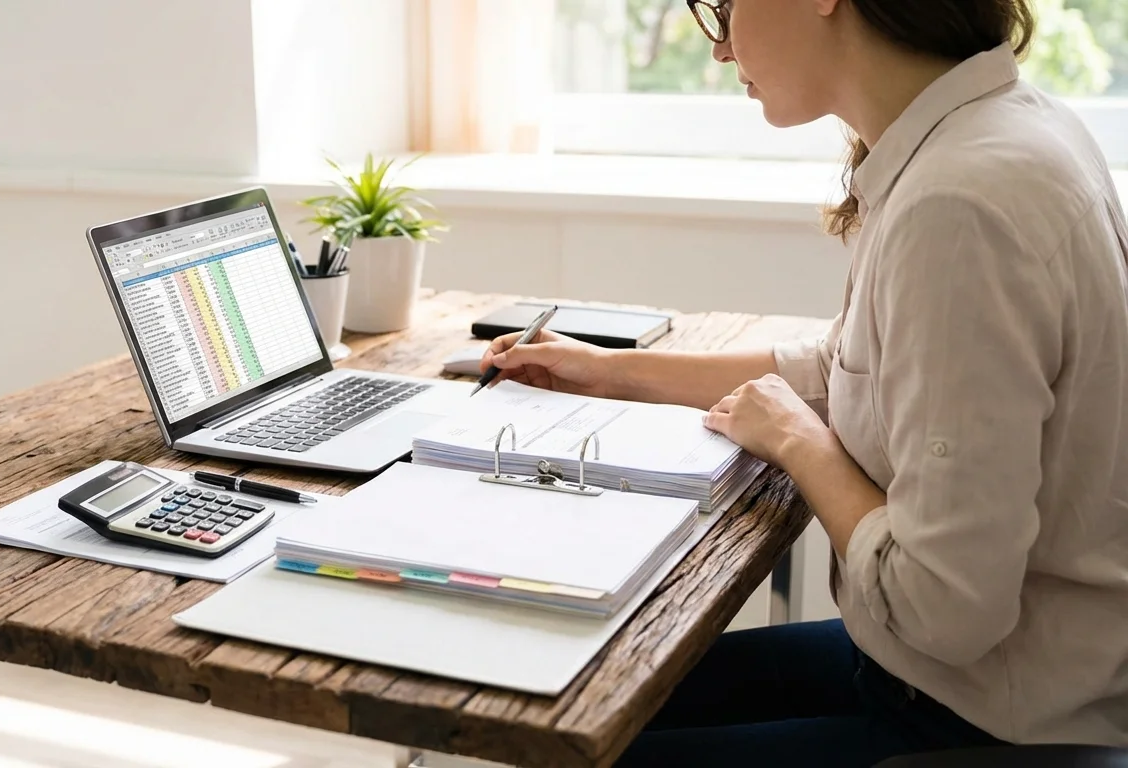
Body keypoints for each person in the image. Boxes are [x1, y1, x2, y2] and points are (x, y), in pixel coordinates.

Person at [481, 0, 1128, 765]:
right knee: (584, 697)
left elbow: (946, 609)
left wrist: (798, 441)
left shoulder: (960, 203)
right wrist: (609, 370)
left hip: (980, 719)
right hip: (963, 680)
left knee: (558, 740)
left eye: (724, 8)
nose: (719, 50)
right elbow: (846, 366)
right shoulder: (998, 129)